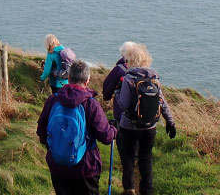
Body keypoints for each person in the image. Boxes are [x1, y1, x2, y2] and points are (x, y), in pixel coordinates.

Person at [37, 60, 118, 195]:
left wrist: (57, 147)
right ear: (87, 81)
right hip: (85, 168)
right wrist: (114, 128)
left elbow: (41, 131)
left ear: (68, 78)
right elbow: (107, 137)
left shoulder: (53, 100)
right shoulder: (91, 104)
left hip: (58, 166)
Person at [115, 43, 176, 195]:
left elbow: (123, 104)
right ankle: (147, 190)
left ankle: (129, 189)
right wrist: (170, 121)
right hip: (149, 128)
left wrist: (117, 92)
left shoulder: (129, 78)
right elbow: (162, 102)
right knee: (146, 158)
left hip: (129, 126)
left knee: (128, 157)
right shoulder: (155, 78)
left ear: (130, 60)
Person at [102, 41, 136, 121]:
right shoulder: (142, 69)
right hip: (140, 113)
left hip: (121, 111)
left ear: (123, 54)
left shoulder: (119, 69)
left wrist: (107, 97)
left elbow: (108, 86)